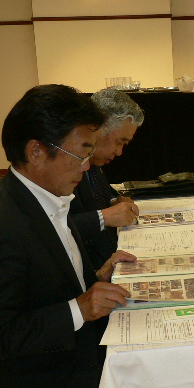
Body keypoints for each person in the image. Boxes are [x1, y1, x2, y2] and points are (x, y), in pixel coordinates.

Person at [0, 84, 135, 388]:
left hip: (61, 355)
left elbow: (46, 280)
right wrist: (79, 308)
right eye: (81, 153)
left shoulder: (45, 197)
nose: (87, 166)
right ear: (36, 151)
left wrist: (95, 278)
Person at [70, 88, 144, 270]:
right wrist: (104, 217)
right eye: (119, 142)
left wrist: (115, 200)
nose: (119, 152)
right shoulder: (68, 166)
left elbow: (99, 194)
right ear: (98, 129)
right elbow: (52, 226)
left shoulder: (95, 163)